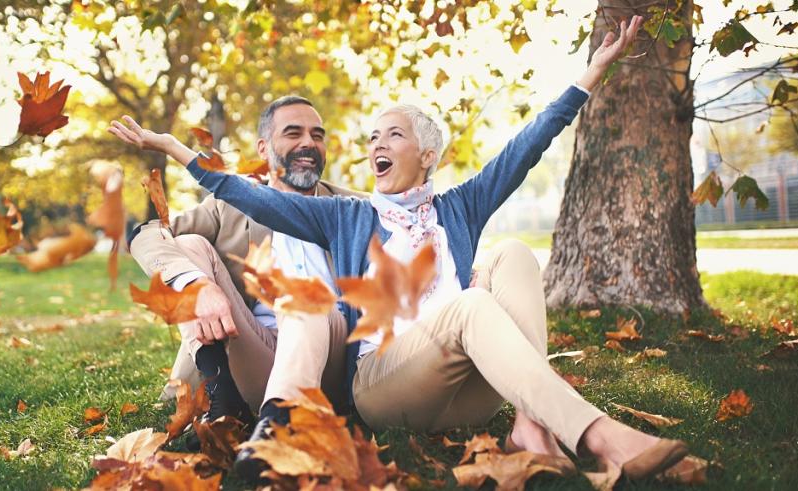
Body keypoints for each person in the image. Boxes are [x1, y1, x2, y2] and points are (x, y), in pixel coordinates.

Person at [112, 15, 691, 482]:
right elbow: (248, 196)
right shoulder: (347, 214)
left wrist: (589, 75)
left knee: (512, 252)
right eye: (371, 138)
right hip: (381, 379)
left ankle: (531, 426)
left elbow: (529, 145)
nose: (375, 146)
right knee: (462, 305)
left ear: (427, 154)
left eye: (392, 135)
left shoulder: (461, 206)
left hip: (461, 378)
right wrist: (178, 152)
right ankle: (599, 436)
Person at [126, 95, 363, 447]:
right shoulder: (230, 205)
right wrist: (200, 286)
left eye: (317, 135)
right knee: (188, 247)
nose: (308, 144)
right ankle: (224, 403)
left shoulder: (353, 208)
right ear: (264, 148)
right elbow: (147, 234)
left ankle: (274, 418)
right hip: (253, 353)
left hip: (327, 361)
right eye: (293, 133)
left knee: (305, 302)